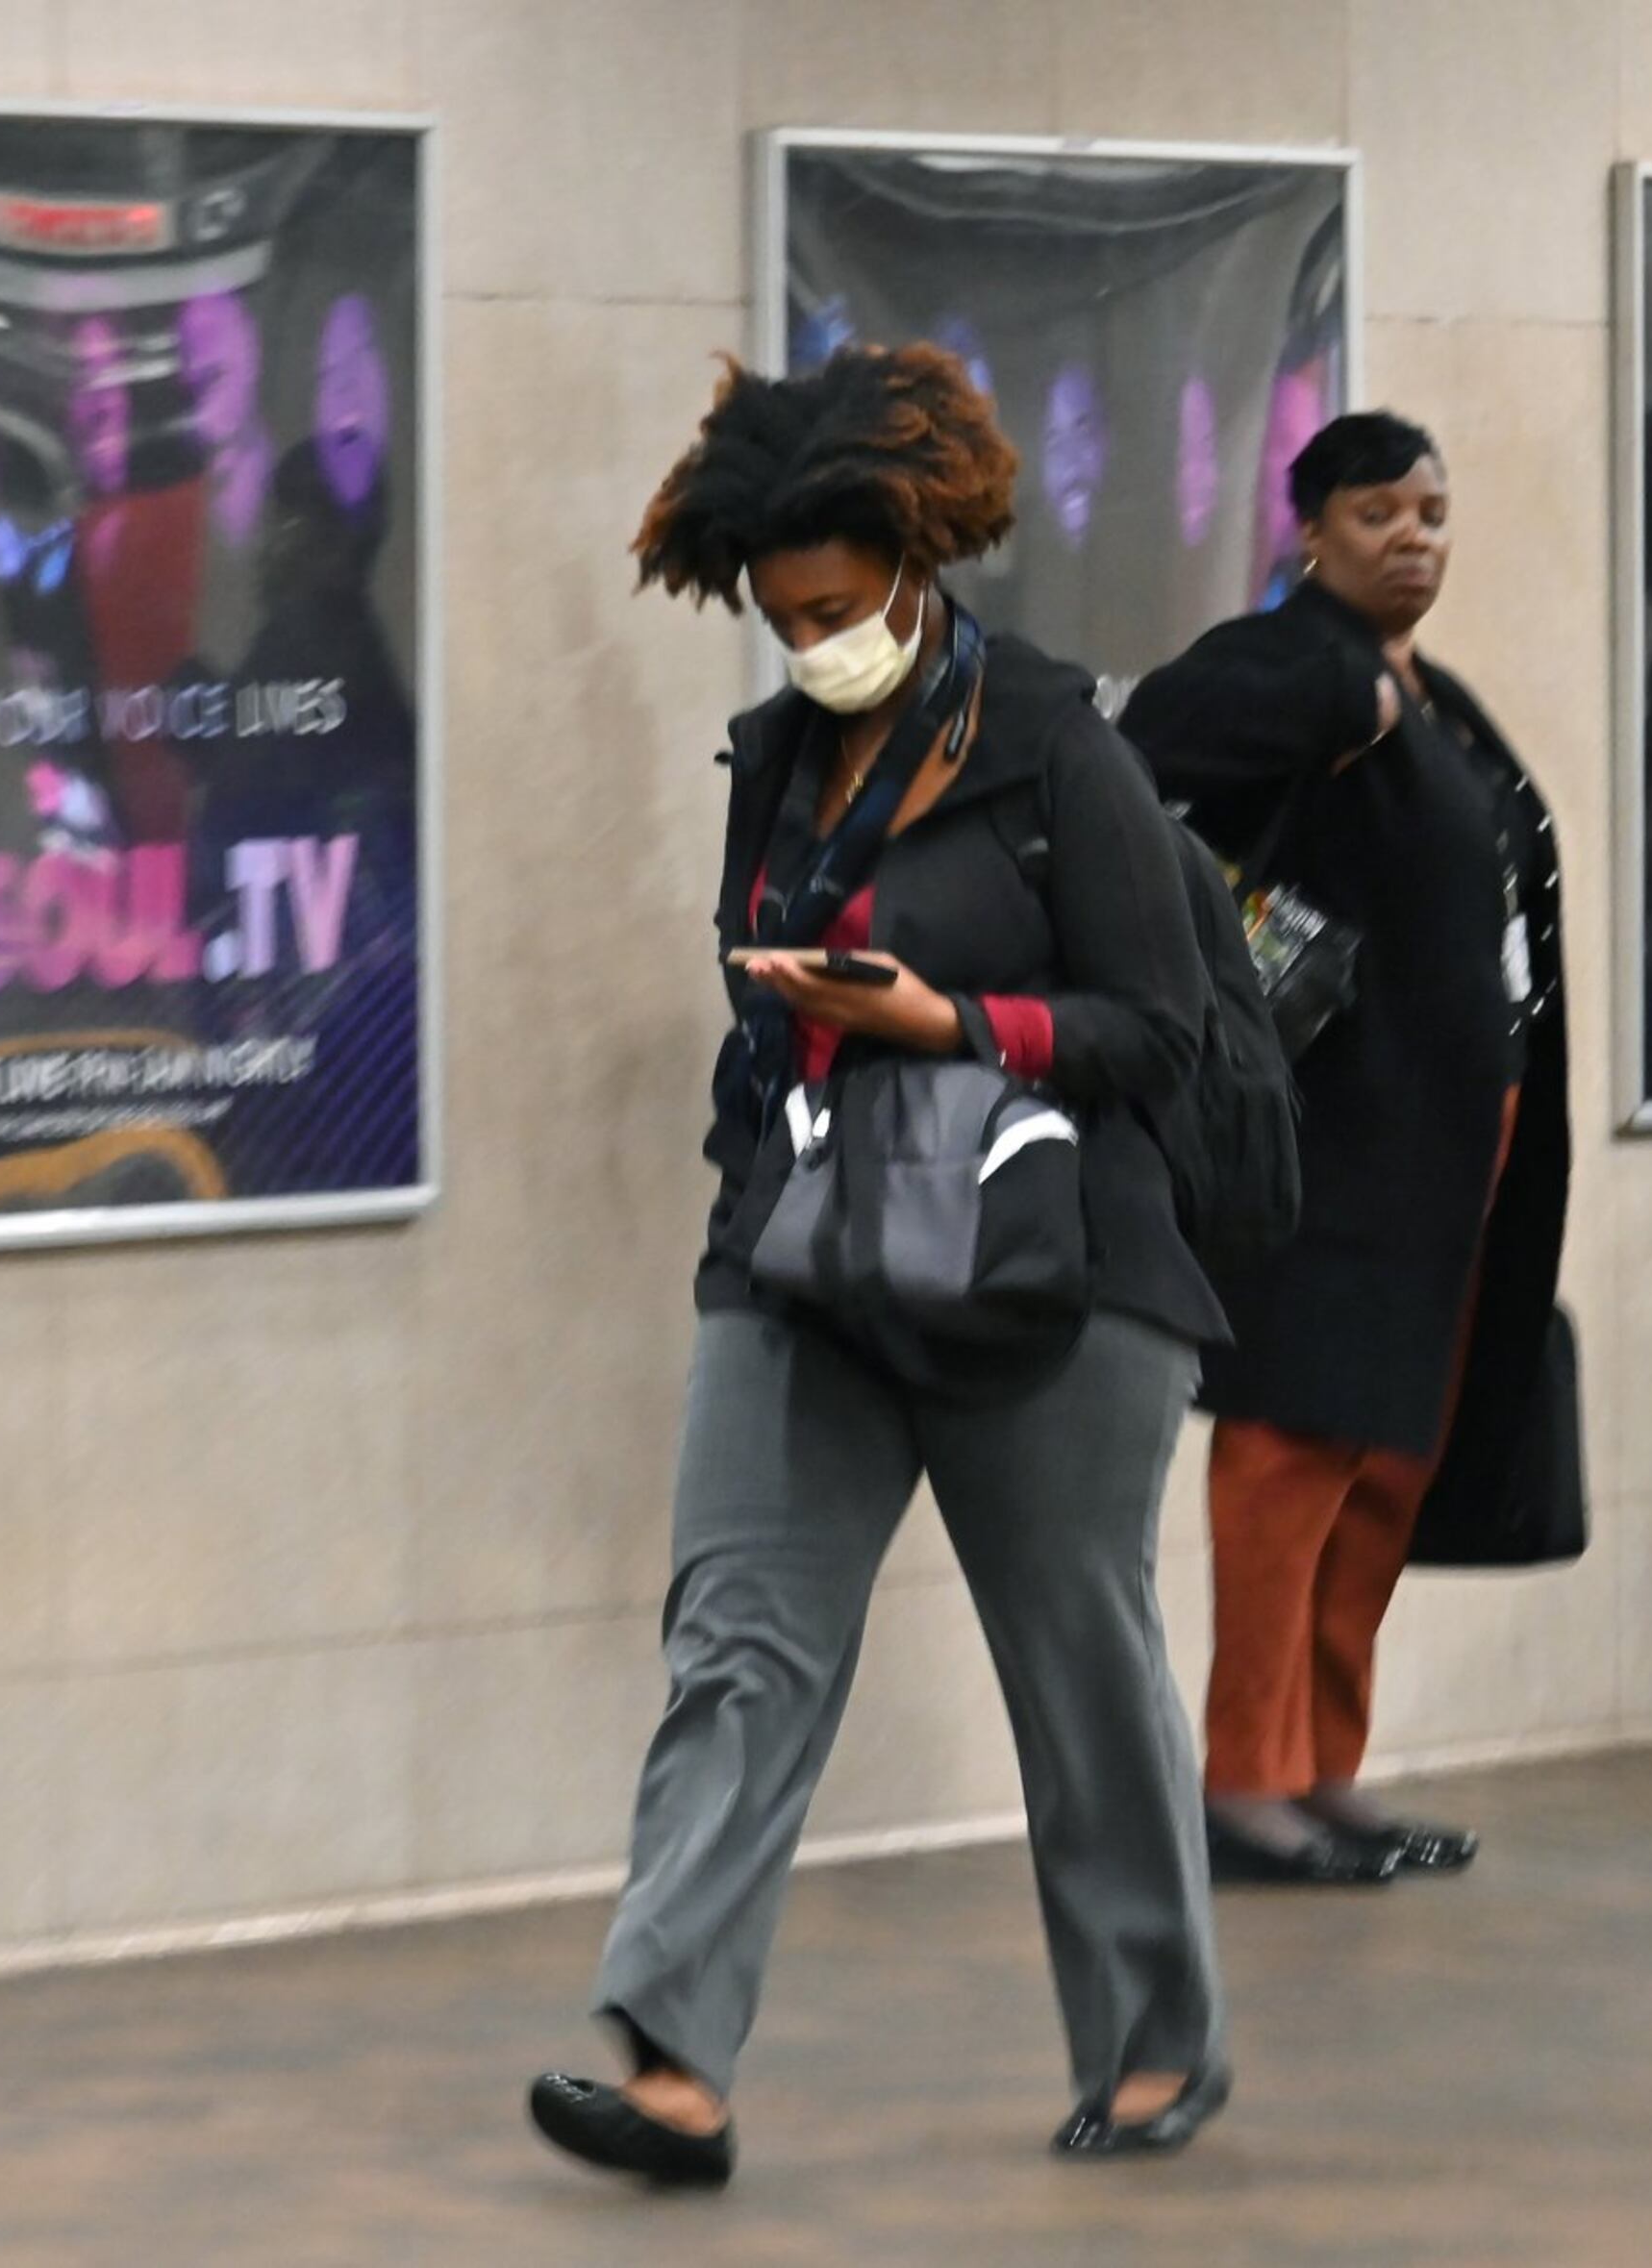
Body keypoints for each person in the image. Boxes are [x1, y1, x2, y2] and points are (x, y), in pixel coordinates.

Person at [529, 345, 1232, 2186]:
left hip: (1046, 1270)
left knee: (1079, 1660)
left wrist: (951, 1018)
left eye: (837, 608)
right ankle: (671, 2063)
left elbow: (1159, 1032)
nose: (812, 640)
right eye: (781, 616)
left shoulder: (1062, 749)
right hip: (808, 1256)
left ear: (921, 569)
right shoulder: (778, 762)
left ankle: (1156, 2046)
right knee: (737, 1648)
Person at [1124, 411, 1577, 1887]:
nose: (1414, 536)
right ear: (1309, 528)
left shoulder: (1428, 691)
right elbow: (1149, 749)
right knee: (1293, 1448)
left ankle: (1326, 1764)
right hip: (1339, 1137)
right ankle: (1240, 1776)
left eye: (1434, 512)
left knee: (1388, 1458)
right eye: (1379, 512)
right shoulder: (1296, 665)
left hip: (1457, 1140)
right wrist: (1336, 708)